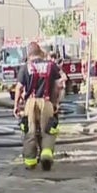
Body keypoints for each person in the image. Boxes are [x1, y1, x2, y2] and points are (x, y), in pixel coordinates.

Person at [14, 42, 62, 171]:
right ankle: (46, 155)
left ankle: (30, 161)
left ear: (29, 55)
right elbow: (58, 86)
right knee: (48, 131)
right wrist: (56, 102)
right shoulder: (51, 66)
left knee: (30, 131)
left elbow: (19, 88)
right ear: (40, 52)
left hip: (30, 102)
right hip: (46, 102)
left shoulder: (25, 68)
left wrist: (16, 105)